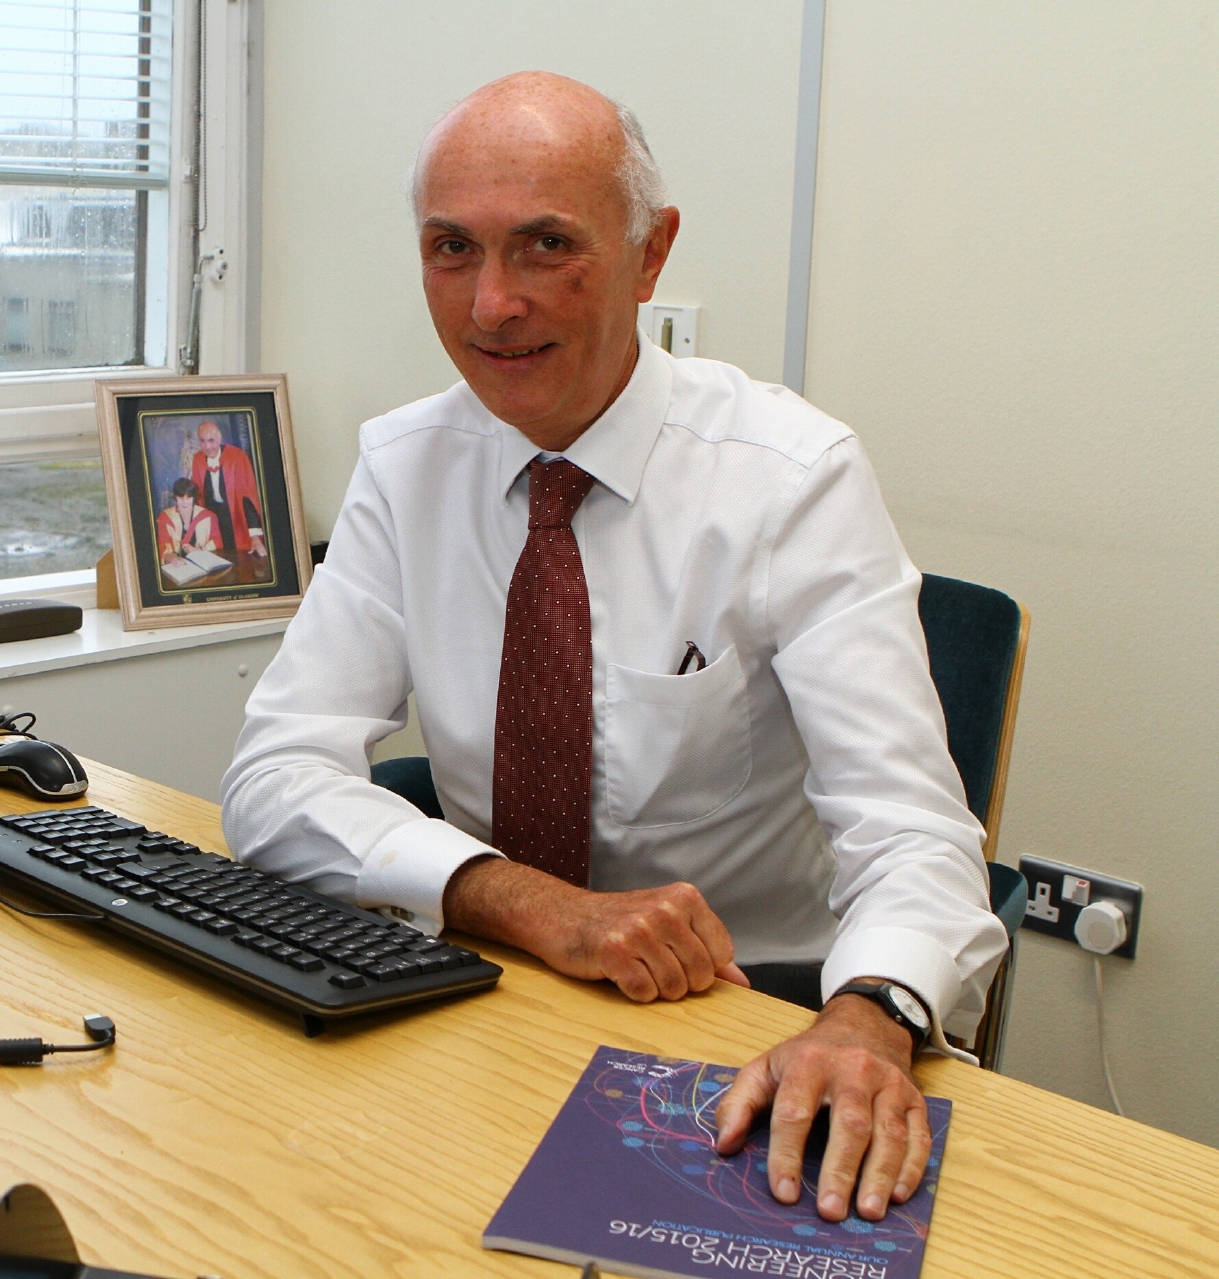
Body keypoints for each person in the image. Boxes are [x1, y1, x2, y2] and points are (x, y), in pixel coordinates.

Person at [220, 72, 1006, 1227]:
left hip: (744, 1028)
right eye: (451, 249)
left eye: (545, 245)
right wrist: (530, 904)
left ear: (651, 254)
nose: (490, 306)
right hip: (495, 995)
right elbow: (274, 771)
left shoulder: (793, 479)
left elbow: (913, 833)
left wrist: (869, 1014)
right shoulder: (406, 465)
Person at [190, 420, 267, 560]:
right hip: (213, 521)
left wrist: (255, 538)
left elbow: (248, 498)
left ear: (220, 439)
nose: (207, 446)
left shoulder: (237, 457)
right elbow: (197, 497)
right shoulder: (197, 459)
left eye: (211, 440)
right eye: (202, 441)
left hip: (236, 518)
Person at [158, 478, 222, 565]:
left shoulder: (208, 516)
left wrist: (198, 549)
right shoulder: (165, 518)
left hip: (203, 563)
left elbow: (217, 542)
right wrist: (173, 558)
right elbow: (162, 548)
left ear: (194, 498)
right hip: (177, 566)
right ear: (175, 497)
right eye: (181, 497)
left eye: (188, 498)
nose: (185, 502)